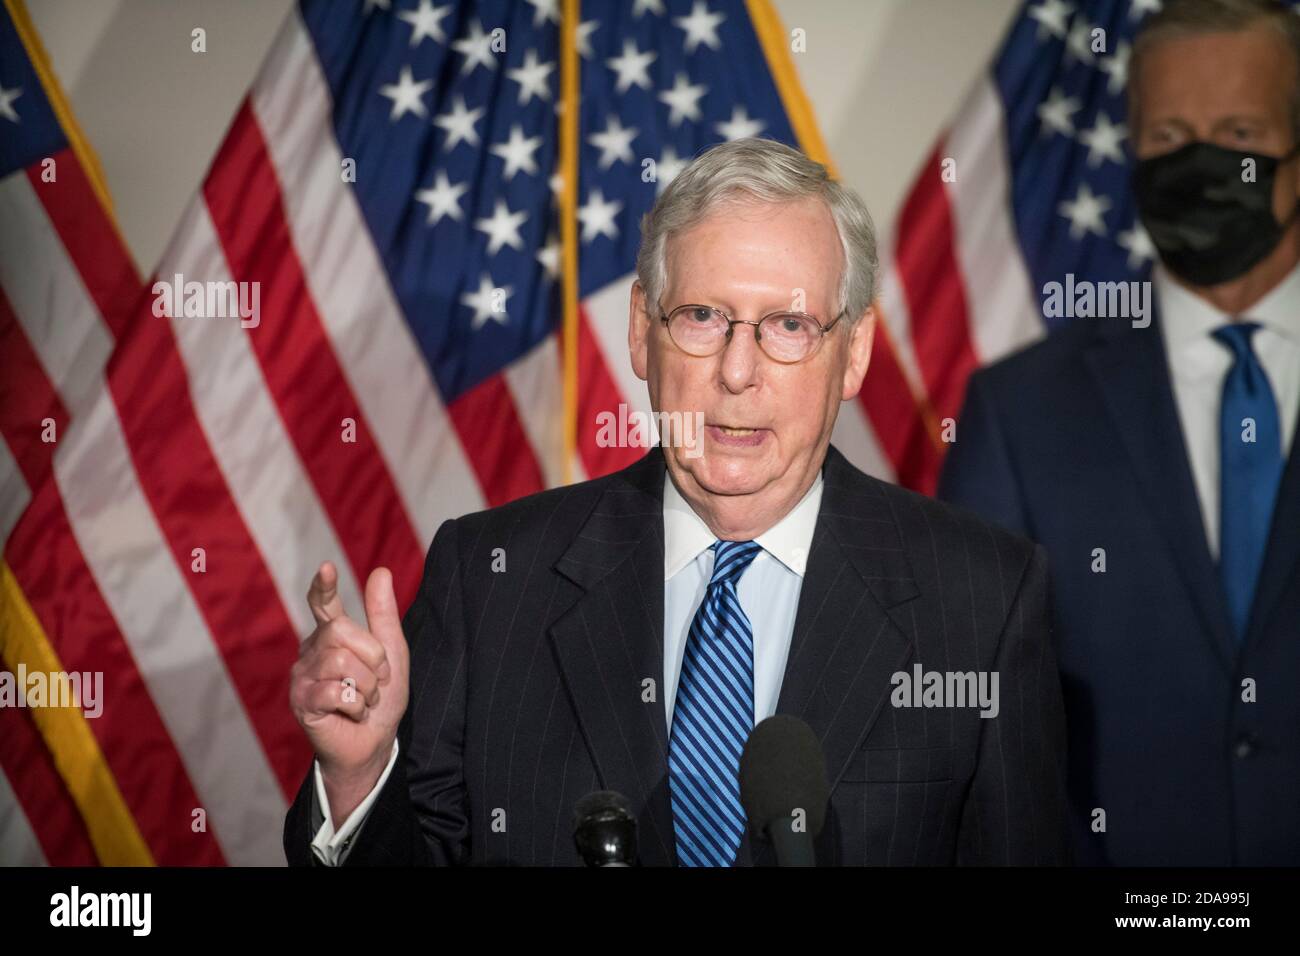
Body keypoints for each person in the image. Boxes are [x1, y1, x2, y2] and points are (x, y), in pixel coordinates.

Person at [285, 137, 1069, 866]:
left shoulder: (984, 600)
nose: (736, 373)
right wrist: (358, 780)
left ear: (853, 352)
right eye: (702, 317)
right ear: (640, 331)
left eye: (788, 326)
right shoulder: (488, 579)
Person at [940, 0, 1300, 865]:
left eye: (1240, 129)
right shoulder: (1019, 410)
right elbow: (967, 718)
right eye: (1169, 136)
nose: (1203, 161)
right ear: (1130, 153)